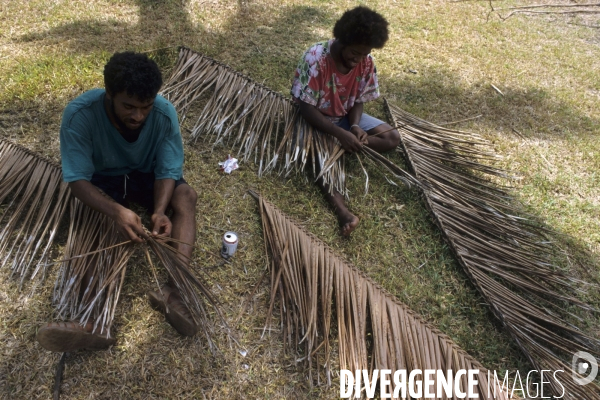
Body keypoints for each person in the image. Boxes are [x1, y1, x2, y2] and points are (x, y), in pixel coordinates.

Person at [36, 52, 199, 352]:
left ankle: (174, 292)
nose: (138, 116)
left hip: (145, 177)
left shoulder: (163, 114)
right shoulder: (80, 115)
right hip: (105, 180)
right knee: (101, 220)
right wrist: (116, 210)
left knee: (186, 196)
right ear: (108, 94)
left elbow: (167, 170)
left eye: (145, 107)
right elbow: (78, 182)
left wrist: (160, 211)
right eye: (129, 106)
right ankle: (94, 320)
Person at [291, 6, 400, 237]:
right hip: (315, 119)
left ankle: (349, 145)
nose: (359, 59)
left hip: (345, 118)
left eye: (365, 53)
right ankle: (342, 212)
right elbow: (306, 107)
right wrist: (338, 134)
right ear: (342, 39)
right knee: (321, 159)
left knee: (392, 137)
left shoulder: (366, 61)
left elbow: (358, 99)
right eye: (355, 52)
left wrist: (355, 127)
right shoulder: (316, 58)